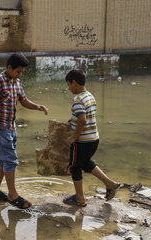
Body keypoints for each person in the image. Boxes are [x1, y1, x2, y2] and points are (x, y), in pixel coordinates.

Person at [0, 53, 48, 209]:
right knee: (11, 159)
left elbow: (23, 100)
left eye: (22, 72)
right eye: (18, 71)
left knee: (4, 158)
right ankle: (12, 195)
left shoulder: (17, 82)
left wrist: (38, 106)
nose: (20, 74)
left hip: (11, 126)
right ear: (9, 68)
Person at [64, 70, 120, 207]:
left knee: (74, 167)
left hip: (82, 141)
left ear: (74, 83)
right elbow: (85, 117)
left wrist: (73, 137)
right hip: (94, 139)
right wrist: (72, 122)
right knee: (85, 163)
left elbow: (82, 121)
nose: (69, 88)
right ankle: (111, 184)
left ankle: (80, 199)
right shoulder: (89, 96)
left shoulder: (77, 99)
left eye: (69, 85)